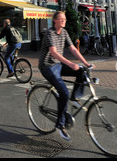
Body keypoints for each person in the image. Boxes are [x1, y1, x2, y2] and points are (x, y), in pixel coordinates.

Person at [39, 11, 93, 141]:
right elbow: (54, 52)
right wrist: (70, 63)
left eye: (65, 19)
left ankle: (74, 98)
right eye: (61, 19)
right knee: (63, 92)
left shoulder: (64, 32)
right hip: (47, 66)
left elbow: (73, 49)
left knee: (82, 71)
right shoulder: (49, 33)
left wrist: (85, 63)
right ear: (55, 20)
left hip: (58, 65)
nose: (64, 21)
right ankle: (60, 125)